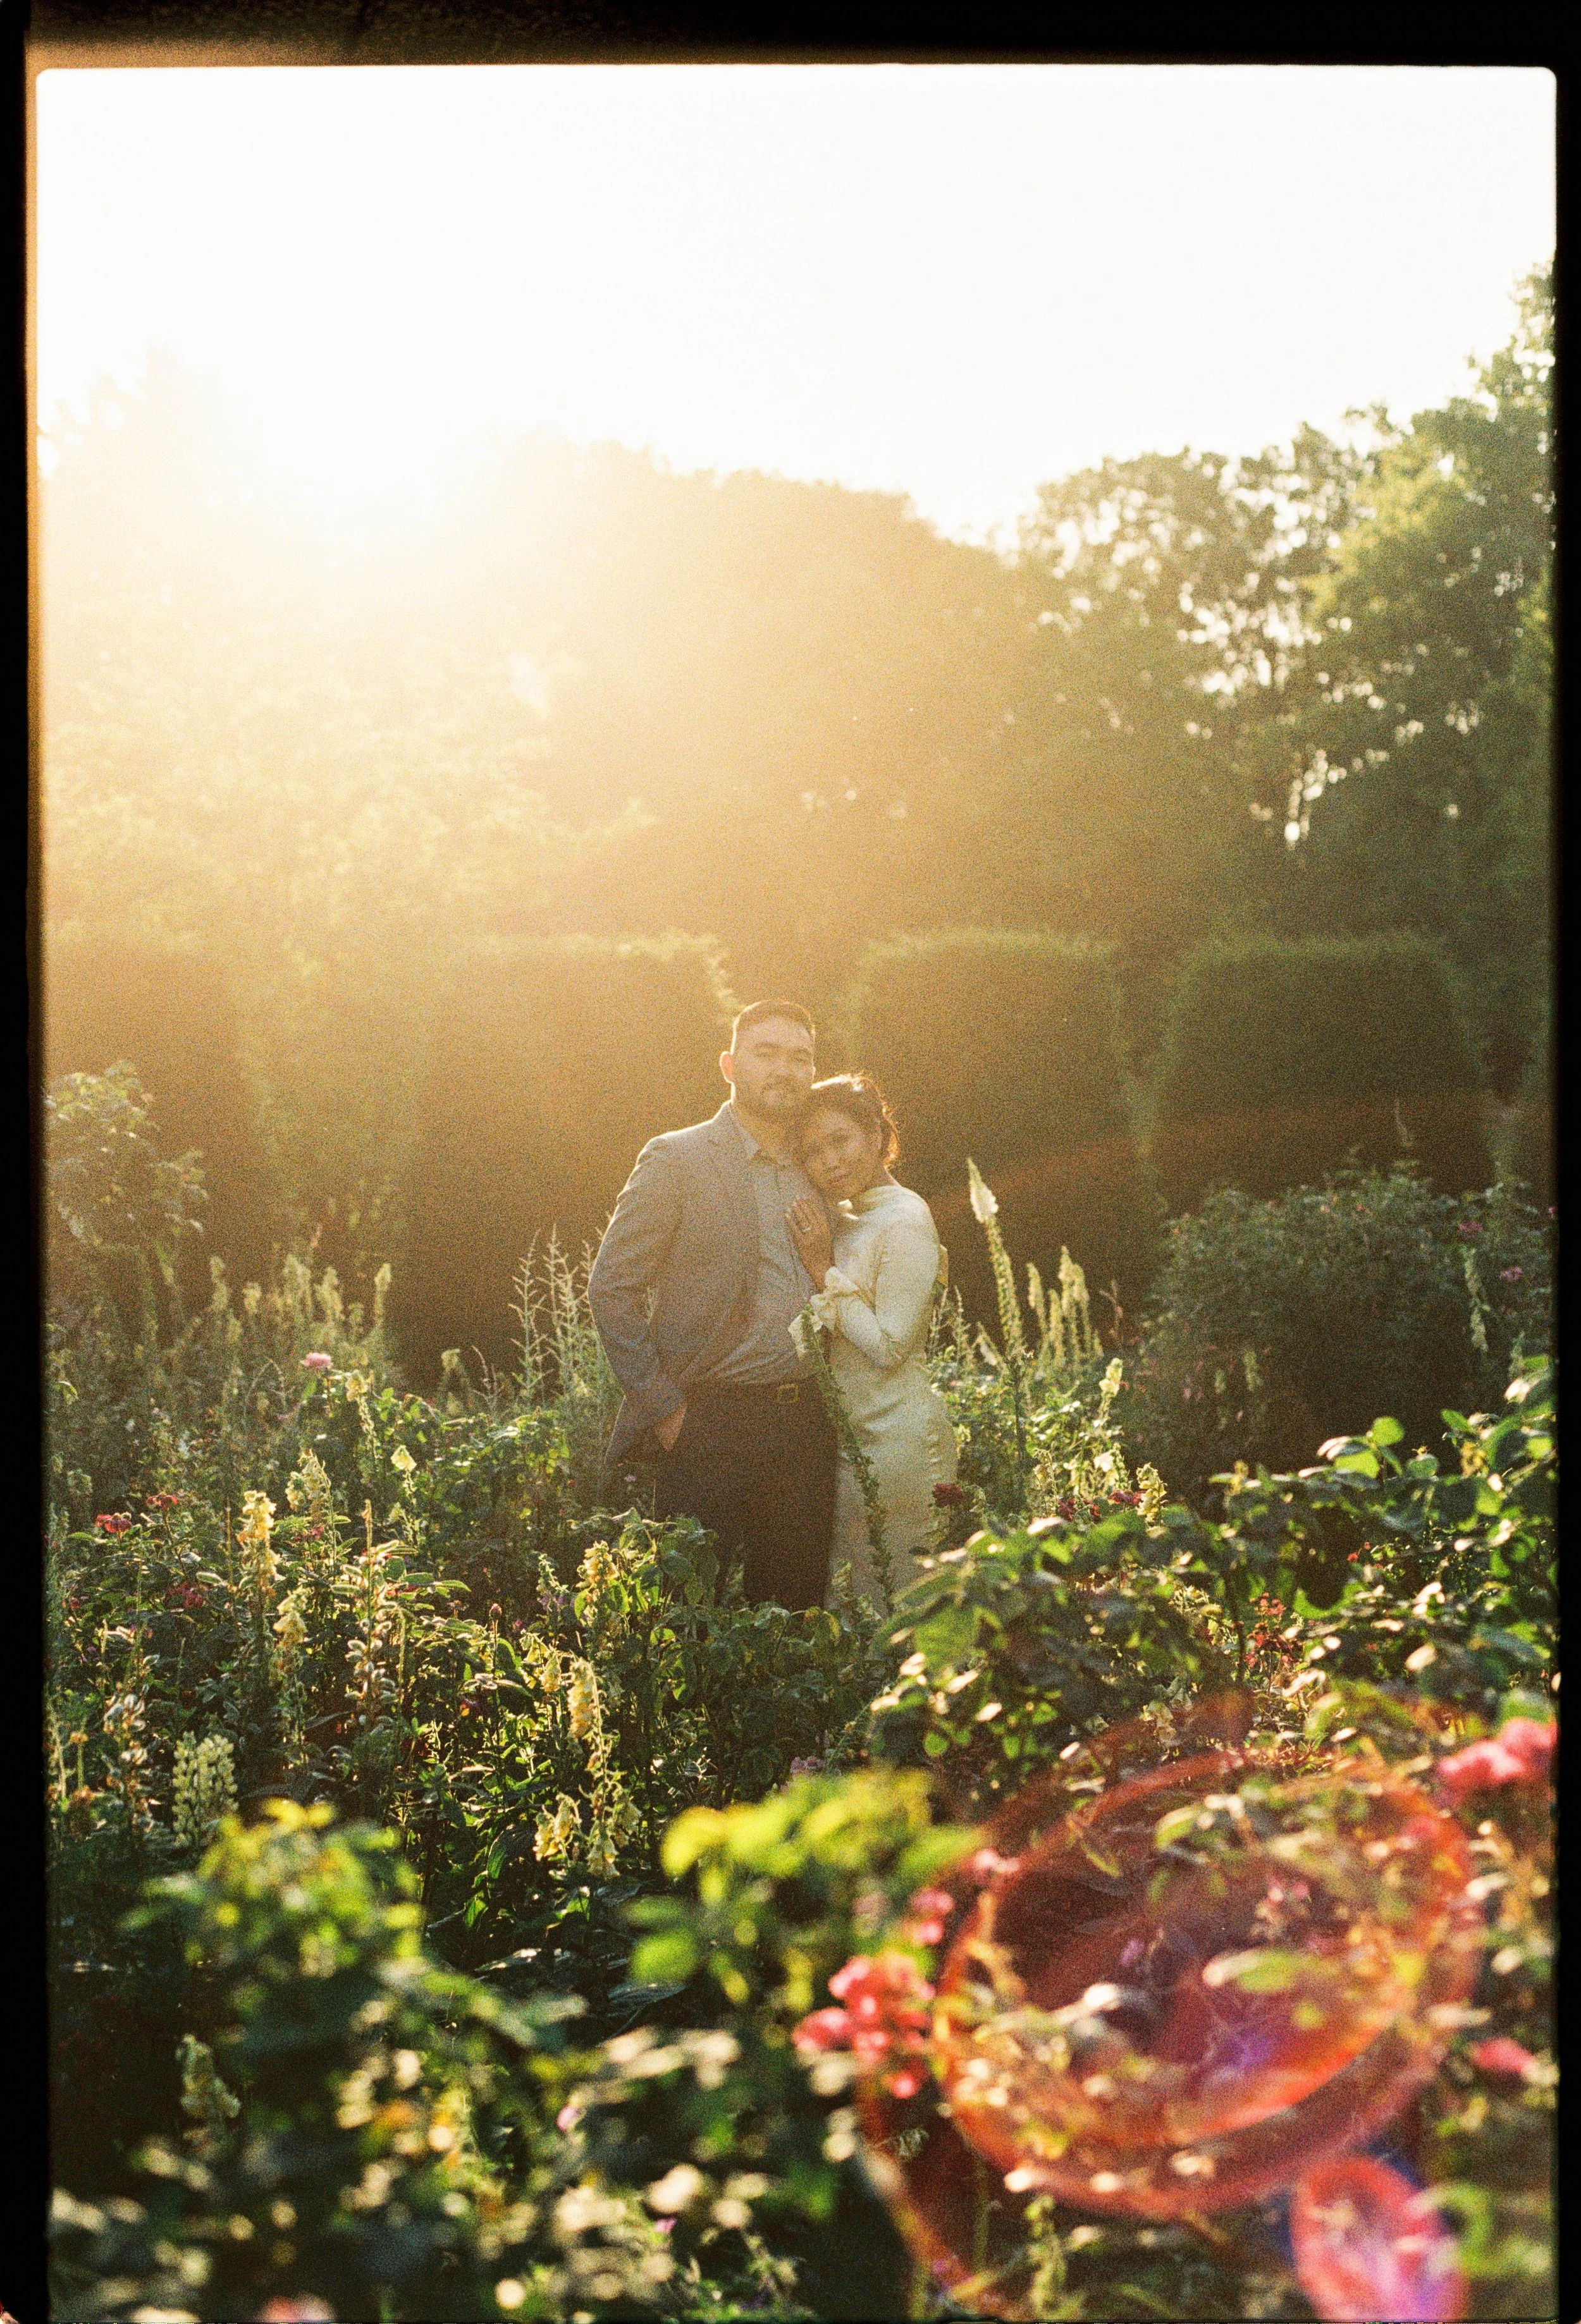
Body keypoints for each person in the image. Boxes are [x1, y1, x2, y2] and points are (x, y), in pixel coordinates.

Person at [587, 999, 838, 1610]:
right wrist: (667, 1411)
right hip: (708, 1420)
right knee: (685, 1616)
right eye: (767, 1052)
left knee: (792, 1613)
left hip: (806, 1421)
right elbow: (612, 1288)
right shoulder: (677, 1158)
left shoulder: (823, 1165)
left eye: (800, 1057)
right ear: (729, 1064)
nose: (785, 1069)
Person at [785, 1073, 958, 1608]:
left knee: (904, 1602)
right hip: (851, 1438)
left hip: (900, 1442)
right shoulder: (845, 1218)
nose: (829, 1162)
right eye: (812, 1153)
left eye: (840, 1141)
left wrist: (821, 1270)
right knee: (855, 1599)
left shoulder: (907, 1217)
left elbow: (888, 1347)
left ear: (877, 1135)